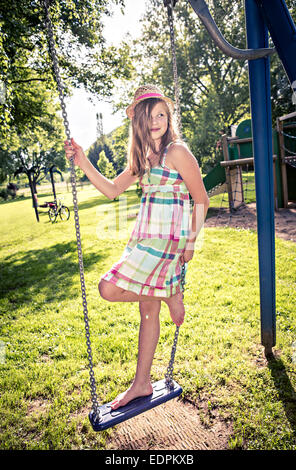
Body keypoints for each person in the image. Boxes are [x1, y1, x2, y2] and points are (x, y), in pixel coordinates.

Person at [64, 84, 210, 410]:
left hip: (167, 240)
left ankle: (169, 291)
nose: (156, 120)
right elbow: (113, 189)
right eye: (149, 114)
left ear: (167, 118)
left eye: (161, 114)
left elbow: (201, 199)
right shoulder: (143, 158)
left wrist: (191, 243)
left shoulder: (177, 152)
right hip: (144, 237)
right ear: (139, 120)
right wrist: (84, 160)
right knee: (147, 311)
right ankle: (142, 382)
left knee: (108, 287)